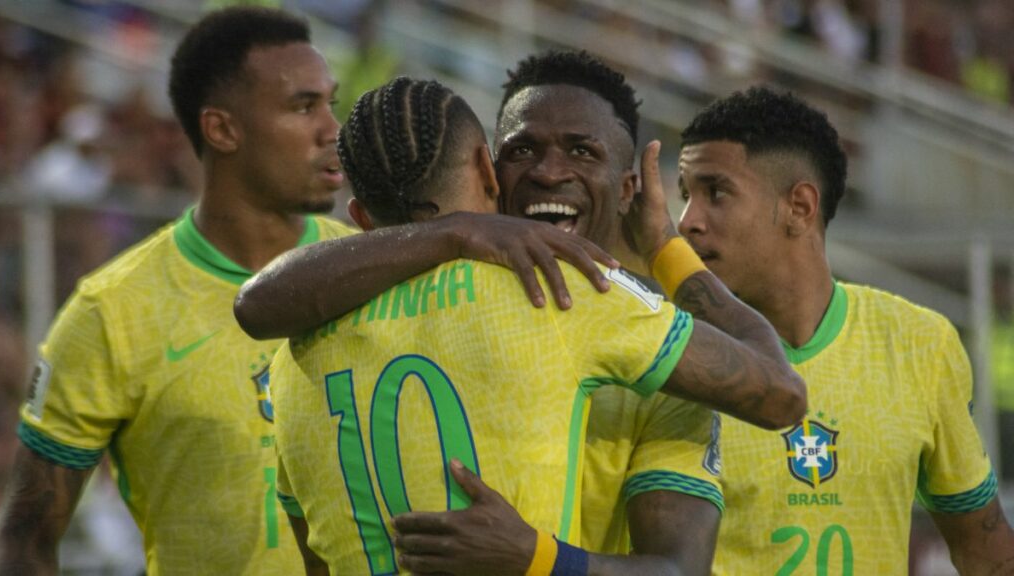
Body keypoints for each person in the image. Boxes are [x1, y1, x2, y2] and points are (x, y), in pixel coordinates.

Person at [269, 74, 803, 576]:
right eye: (521, 151)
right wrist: (668, 247)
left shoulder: (292, 360)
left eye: (581, 151)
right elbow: (780, 395)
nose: (549, 172)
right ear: (488, 169)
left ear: (360, 218)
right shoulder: (565, 297)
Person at [0, 7, 358, 574]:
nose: (332, 129)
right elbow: (24, 541)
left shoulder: (370, 269)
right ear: (222, 129)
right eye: (303, 106)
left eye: (330, 103)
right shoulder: (112, 311)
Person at [676, 86, 1014, 575]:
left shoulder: (920, 343)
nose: (687, 222)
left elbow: (983, 549)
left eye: (716, 192)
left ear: (800, 207)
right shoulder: (667, 353)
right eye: (686, 196)